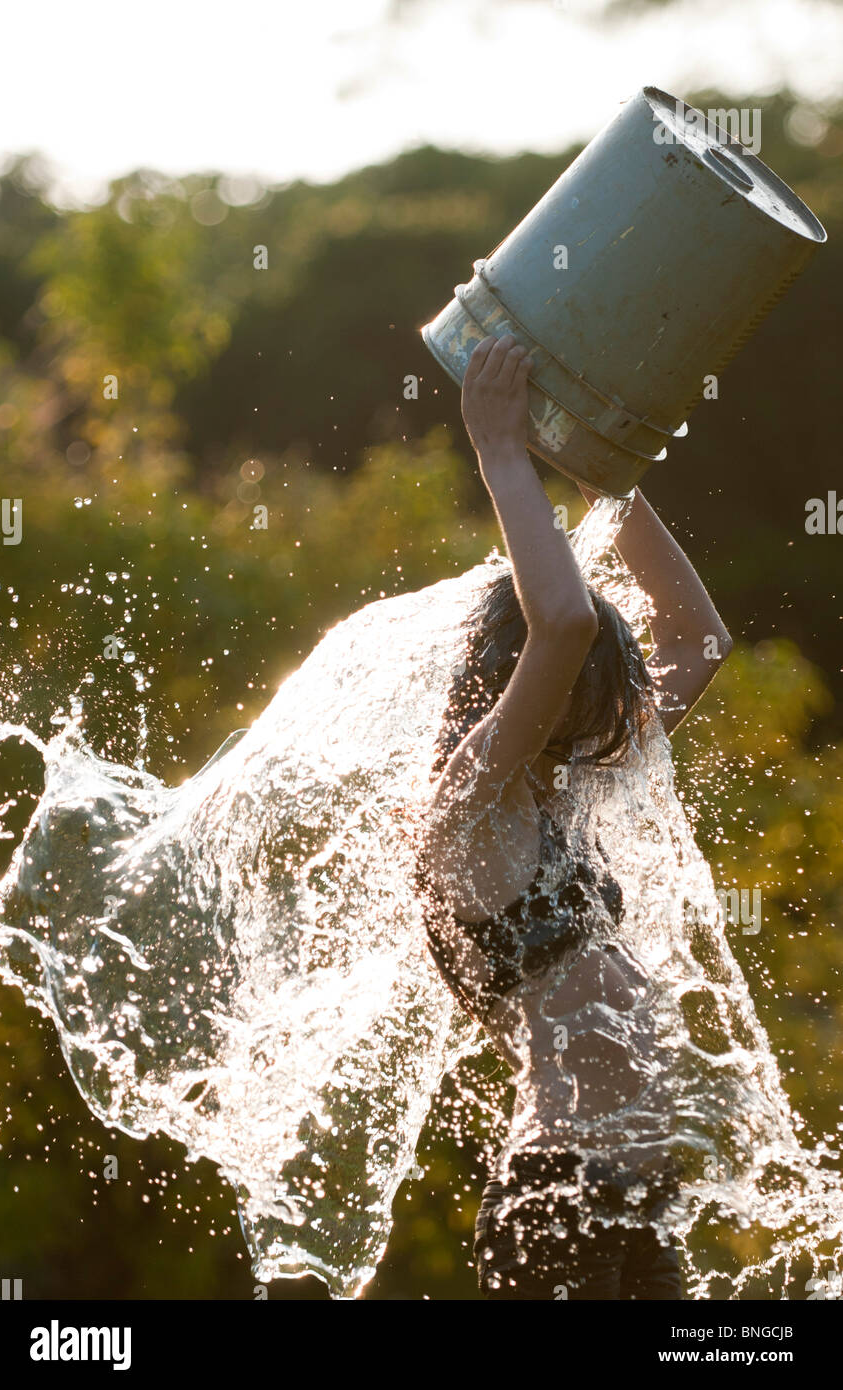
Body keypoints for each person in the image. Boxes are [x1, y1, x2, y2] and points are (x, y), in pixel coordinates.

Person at [414, 332, 733, 1300]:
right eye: (589, 691)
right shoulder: (465, 806)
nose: (616, 717)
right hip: (555, 1199)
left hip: (639, 1189)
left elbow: (700, 639)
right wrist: (501, 454)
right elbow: (561, 621)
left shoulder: (568, 781)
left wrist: (601, 475)